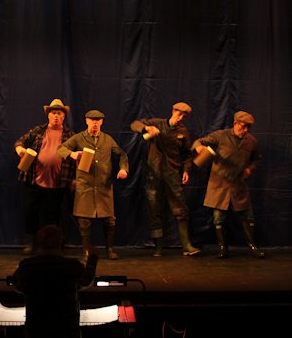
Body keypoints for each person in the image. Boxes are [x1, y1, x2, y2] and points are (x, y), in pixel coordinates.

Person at [192, 110, 265, 259]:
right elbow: (198, 142)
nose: (246, 130)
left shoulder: (251, 141)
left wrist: (250, 168)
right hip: (219, 184)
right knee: (218, 218)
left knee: (247, 216)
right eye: (243, 126)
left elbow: (257, 159)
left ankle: (253, 246)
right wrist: (199, 148)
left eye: (248, 127)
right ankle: (222, 248)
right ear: (235, 124)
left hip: (238, 184)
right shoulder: (220, 136)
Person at [130, 102, 201, 256]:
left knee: (180, 209)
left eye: (184, 116)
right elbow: (134, 124)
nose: (180, 118)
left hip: (172, 174)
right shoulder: (157, 123)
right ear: (173, 111)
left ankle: (186, 246)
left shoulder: (182, 131)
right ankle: (158, 248)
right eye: (179, 114)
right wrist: (146, 128)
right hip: (153, 173)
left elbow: (187, 154)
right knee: (154, 209)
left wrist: (186, 170)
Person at [57, 109, 129, 261]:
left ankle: (110, 250)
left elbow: (122, 154)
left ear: (102, 122)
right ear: (86, 121)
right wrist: (72, 154)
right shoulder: (79, 138)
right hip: (85, 185)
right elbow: (60, 149)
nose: (95, 123)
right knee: (84, 222)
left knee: (109, 220)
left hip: (104, 186)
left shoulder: (107, 140)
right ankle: (86, 251)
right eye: (92, 120)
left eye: (98, 120)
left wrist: (123, 169)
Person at [11, 224, 98, 338]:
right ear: (62, 242)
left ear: (38, 242)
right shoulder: (72, 266)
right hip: (67, 332)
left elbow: (17, 284)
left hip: (36, 332)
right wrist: (92, 258)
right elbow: (86, 280)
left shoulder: (28, 266)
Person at [13, 98, 76, 255]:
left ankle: (54, 245)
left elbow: (77, 159)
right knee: (31, 212)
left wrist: (75, 179)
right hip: (34, 179)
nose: (56, 116)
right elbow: (19, 142)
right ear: (48, 115)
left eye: (59, 113)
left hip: (59, 182)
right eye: (53, 113)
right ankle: (33, 242)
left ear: (63, 116)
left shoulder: (70, 136)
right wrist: (20, 150)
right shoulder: (38, 131)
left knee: (53, 215)